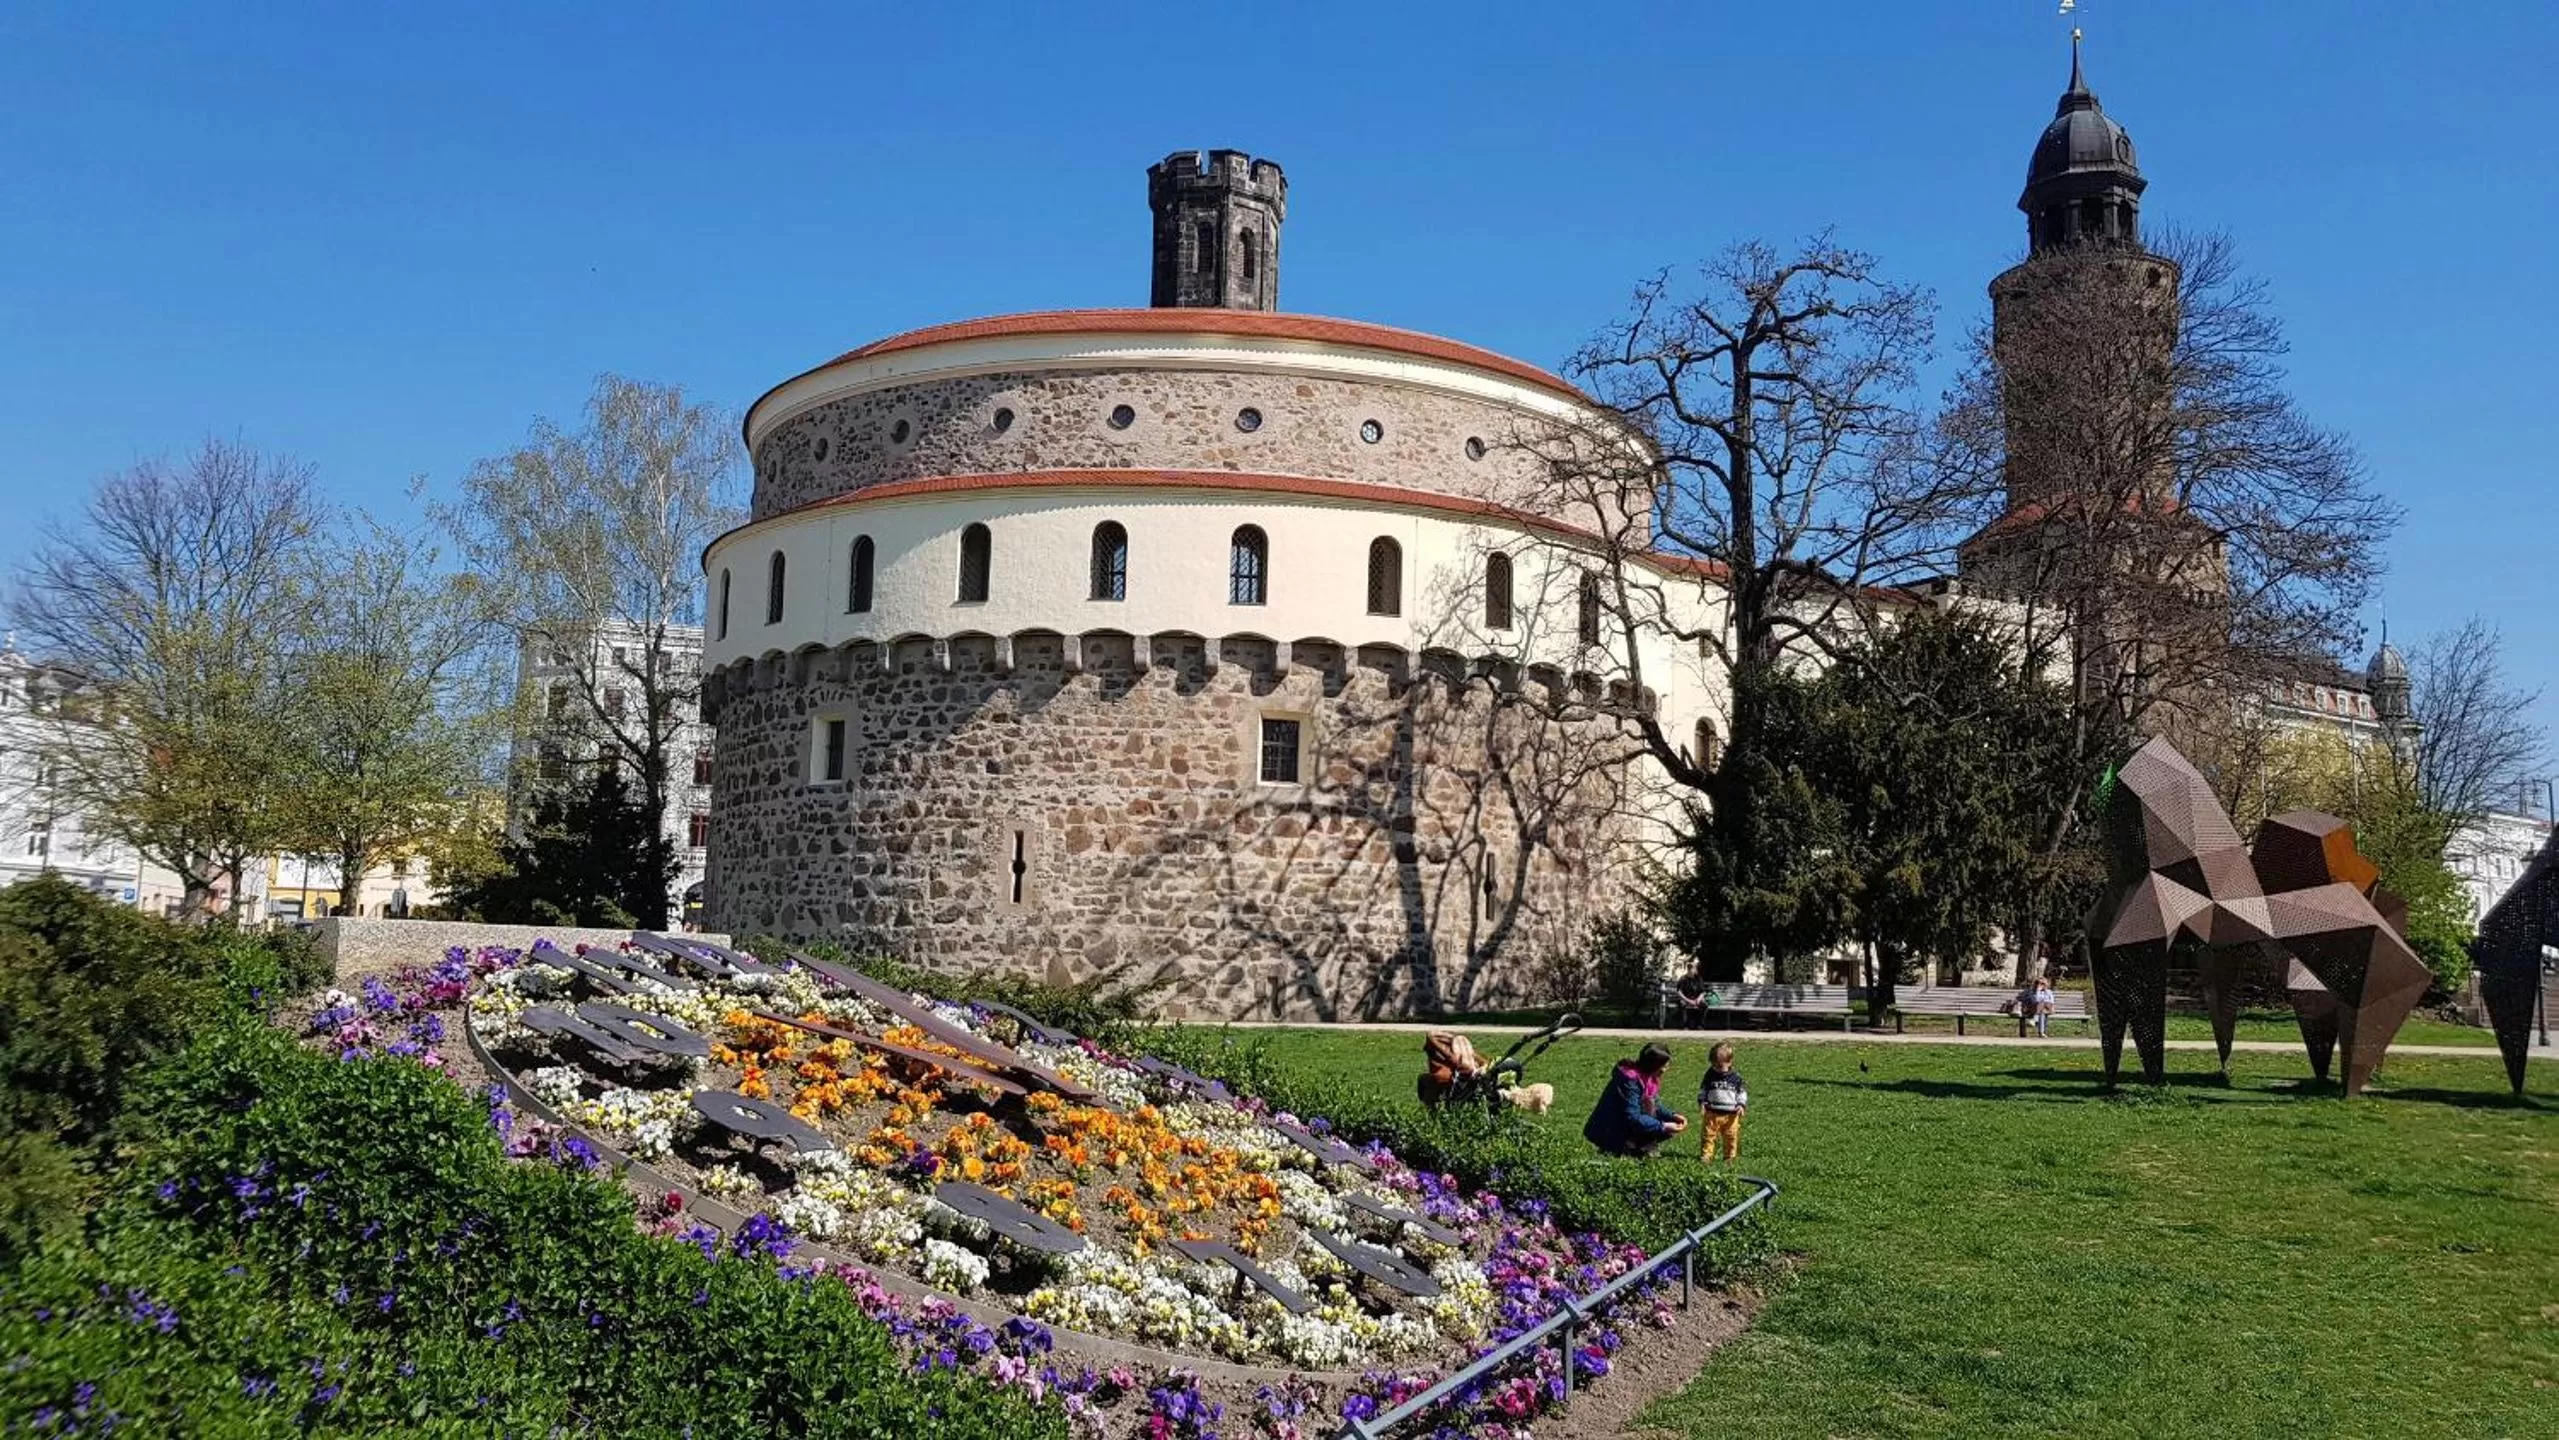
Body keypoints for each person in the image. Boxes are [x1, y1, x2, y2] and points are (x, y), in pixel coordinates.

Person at [1583, 1043, 1685, 1158]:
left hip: (1627, 1126)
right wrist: (1663, 1126)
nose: (1666, 1070)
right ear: (1653, 1066)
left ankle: (1639, 1148)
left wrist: (1672, 1116)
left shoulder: (1648, 1079)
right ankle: (1624, 1149)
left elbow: (1655, 1105)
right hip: (1611, 1130)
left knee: (1652, 1112)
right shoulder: (1630, 1080)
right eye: (1662, 1068)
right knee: (1652, 1121)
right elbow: (1632, 1116)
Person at [1697, 1042, 1749, 1162]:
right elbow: (1704, 1089)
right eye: (1714, 1065)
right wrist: (1702, 1102)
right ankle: (1706, 1155)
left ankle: (1729, 1156)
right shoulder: (1710, 1075)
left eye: (1720, 1066)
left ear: (1730, 1062)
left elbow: (1742, 1092)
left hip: (1731, 1114)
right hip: (1712, 1112)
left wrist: (1741, 1104)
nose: (1717, 1069)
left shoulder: (1736, 1078)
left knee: (1731, 1136)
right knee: (1708, 1135)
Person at [2030, 973, 2057, 1039]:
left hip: (2048, 1007)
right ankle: (2042, 1033)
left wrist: (2045, 993)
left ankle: (2035, 1019)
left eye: (2043, 984)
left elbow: (2051, 1001)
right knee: (2042, 1012)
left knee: (2042, 1005)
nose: (2041, 985)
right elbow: (2036, 1000)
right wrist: (2038, 991)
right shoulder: (2033, 992)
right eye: (2039, 983)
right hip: (2038, 1009)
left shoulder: (2049, 991)